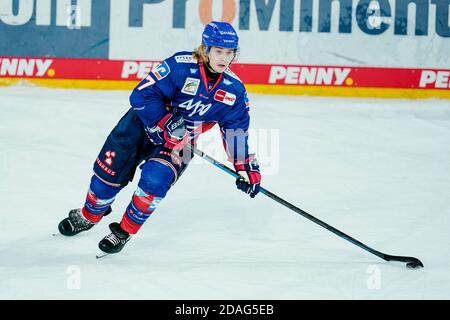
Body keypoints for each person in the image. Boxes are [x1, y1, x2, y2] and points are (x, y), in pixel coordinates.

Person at [57, 21, 262, 254]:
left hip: (181, 141)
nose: (224, 58)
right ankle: (90, 215)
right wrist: (165, 121)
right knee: (105, 179)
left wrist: (244, 165)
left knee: (156, 182)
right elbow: (140, 96)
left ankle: (123, 232)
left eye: (229, 53)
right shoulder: (179, 67)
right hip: (138, 127)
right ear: (205, 49)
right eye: (218, 51)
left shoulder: (234, 90)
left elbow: (236, 129)